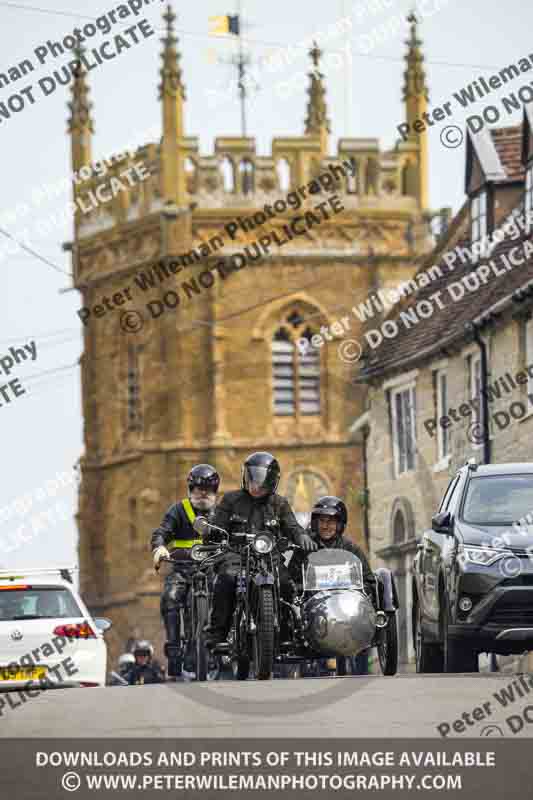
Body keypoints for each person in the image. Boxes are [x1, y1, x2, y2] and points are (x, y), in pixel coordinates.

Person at [204, 451, 317, 648]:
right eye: (252, 479)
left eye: (261, 481)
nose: (256, 486)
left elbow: (292, 526)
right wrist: (211, 531)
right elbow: (218, 524)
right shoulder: (231, 500)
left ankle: (286, 632)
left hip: (269, 557)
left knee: (286, 583)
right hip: (236, 554)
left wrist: (302, 536)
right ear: (245, 477)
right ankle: (217, 632)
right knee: (226, 579)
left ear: (272, 481)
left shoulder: (279, 503)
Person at [151, 464, 220, 677]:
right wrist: (160, 546)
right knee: (171, 597)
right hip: (183, 570)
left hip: (212, 571)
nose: (202, 493)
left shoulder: (221, 513)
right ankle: (173, 649)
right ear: (190, 489)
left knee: (231, 592)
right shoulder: (178, 510)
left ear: (214, 491)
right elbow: (162, 531)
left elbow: (234, 534)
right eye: (198, 488)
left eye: (207, 489)